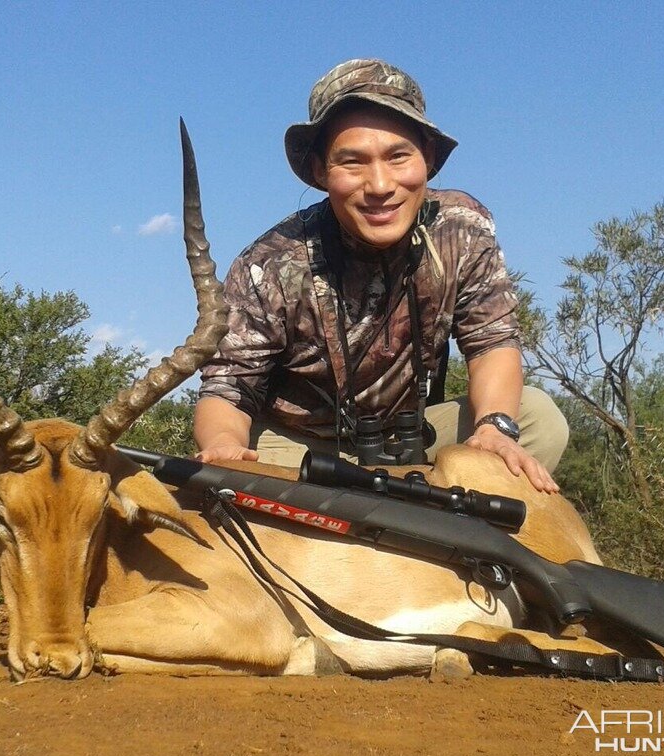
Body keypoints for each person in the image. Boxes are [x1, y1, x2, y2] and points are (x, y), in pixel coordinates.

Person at [194, 58, 567, 493]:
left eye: (398, 156)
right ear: (320, 171)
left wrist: (493, 428)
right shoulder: (270, 262)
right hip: (300, 446)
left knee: (539, 418)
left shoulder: (463, 227)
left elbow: (492, 342)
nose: (379, 185)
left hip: (410, 434)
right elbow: (229, 387)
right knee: (240, 477)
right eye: (352, 162)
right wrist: (223, 446)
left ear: (427, 157)